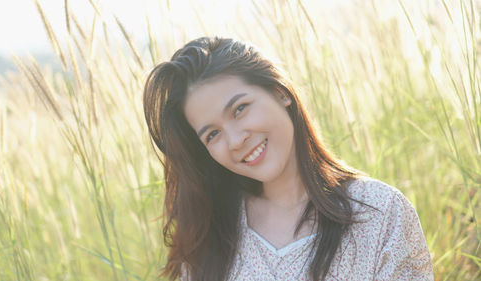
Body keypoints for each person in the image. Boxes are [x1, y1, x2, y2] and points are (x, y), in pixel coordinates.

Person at [142, 36, 434, 281]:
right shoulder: (208, 241)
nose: (235, 140)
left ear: (280, 92)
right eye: (212, 135)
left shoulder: (380, 213)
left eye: (240, 109)